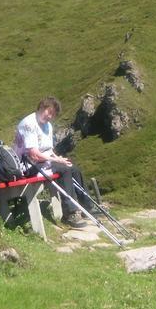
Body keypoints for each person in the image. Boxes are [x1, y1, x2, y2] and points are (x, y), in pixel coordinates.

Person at [14, 97, 91, 229]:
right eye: (49, 112)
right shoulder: (29, 124)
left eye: (53, 115)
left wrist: (59, 158)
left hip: (43, 162)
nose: (50, 117)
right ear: (41, 107)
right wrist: (57, 160)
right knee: (64, 170)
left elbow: (48, 150)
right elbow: (34, 155)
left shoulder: (47, 126)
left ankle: (87, 206)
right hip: (27, 165)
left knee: (72, 168)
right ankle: (70, 213)